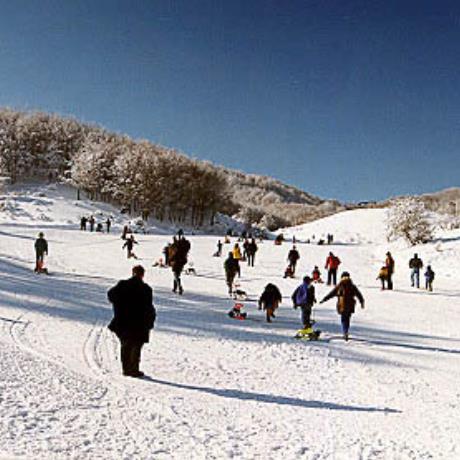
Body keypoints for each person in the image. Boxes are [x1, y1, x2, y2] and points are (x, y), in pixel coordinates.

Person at [107, 265, 156, 377]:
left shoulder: (122, 285)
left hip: (123, 320)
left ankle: (126, 369)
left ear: (133, 273)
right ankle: (134, 369)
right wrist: (150, 320)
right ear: (143, 275)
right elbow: (148, 307)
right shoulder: (146, 289)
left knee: (126, 345)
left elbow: (111, 295)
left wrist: (119, 304)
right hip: (139, 322)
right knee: (136, 345)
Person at [320, 271, 364, 341]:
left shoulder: (340, 285)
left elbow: (332, 293)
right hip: (350, 304)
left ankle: (345, 331)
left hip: (342, 304)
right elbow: (359, 295)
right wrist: (362, 302)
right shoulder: (352, 286)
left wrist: (324, 299)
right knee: (347, 318)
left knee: (343, 319)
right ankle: (346, 331)